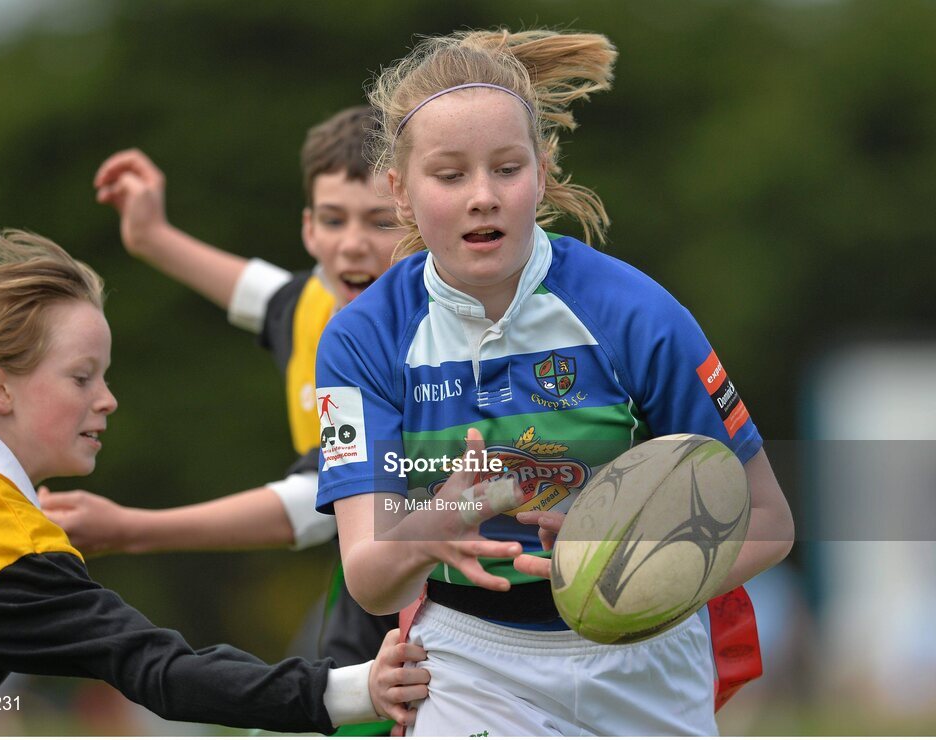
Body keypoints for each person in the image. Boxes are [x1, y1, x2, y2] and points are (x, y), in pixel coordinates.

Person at [314, 29, 795, 736]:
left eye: (506, 168)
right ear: (401, 192)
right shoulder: (362, 341)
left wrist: (631, 565)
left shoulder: (638, 315)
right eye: (450, 176)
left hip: (646, 664)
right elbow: (368, 574)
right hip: (470, 662)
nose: (483, 196)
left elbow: (769, 523)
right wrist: (431, 529)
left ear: (542, 171)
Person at [0, 230, 428, 735]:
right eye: (81, 376)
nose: (107, 399)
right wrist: (356, 689)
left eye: (105, 376)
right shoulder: (8, 552)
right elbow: (163, 672)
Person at [39, 107, 401, 674]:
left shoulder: (418, 342)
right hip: (372, 595)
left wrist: (133, 530)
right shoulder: (307, 304)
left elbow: (316, 506)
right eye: (334, 221)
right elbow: (255, 289)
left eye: (381, 222)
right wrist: (151, 236)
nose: (352, 245)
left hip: (442, 592)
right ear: (308, 227)